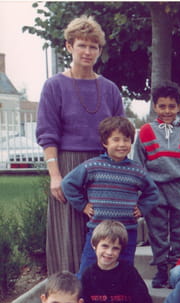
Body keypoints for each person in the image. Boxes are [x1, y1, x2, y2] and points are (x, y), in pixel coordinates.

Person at [36, 15, 124, 275]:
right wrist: (55, 176)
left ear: (99, 50)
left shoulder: (110, 89)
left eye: (93, 46)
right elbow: (47, 135)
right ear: (69, 46)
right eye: (82, 45)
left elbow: (120, 133)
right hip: (69, 167)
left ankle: (101, 290)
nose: (87, 51)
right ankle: (67, 292)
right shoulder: (54, 86)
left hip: (103, 168)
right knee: (69, 233)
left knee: (104, 234)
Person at [61, 116, 162, 277]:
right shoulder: (92, 166)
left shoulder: (137, 170)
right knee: (87, 270)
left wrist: (142, 208)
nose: (122, 144)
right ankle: (83, 294)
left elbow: (153, 193)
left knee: (124, 272)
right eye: (116, 139)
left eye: (126, 140)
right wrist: (83, 205)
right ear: (105, 142)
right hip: (98, 232)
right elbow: (68, 184)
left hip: (127, 232)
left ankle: (121, 294)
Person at [135, 81, 180, 288]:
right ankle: (161, 267)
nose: (167, 111)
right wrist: (142, 190)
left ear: (179, 107)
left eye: (172, 106)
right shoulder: (145, 131)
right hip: (155, 189)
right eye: (162, 106)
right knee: (157, 231)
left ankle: (176, 267)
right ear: (155, 106)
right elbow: (139, 163)